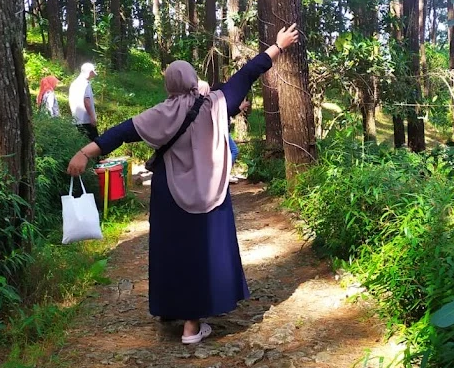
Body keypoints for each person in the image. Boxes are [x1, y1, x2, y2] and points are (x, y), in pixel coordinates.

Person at [67, 24, 300, 344]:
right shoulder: (218, 103)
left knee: (171, 251)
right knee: (200, 252)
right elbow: (248, 73)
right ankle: (192, 325)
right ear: (193, 81)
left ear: (169, 85)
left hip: (169, 193)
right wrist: (278, 45)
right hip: (211, 195)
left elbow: (118, 133)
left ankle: (171, 307)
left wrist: (83, 153)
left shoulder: (159, 113)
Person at [69, 62, 98, 141]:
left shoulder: (74, 83)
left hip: (76, 119)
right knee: (94, 144)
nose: (92, 76)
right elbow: (87, 101)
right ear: (89, 72)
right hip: (86, 120)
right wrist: (92, 117)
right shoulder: (85, 84)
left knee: (81, 144)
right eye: (92, 73)